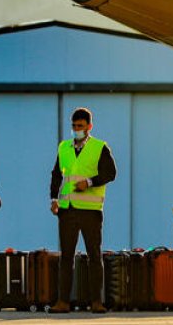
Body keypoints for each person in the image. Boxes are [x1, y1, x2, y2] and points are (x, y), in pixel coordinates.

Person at [48, 107, 117, 314]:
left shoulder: (100, 147)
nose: (76, 129)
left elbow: (111, 173)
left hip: (90, 210)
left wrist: (89, 182)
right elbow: (56, 175)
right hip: (67, 210)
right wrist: (53, 199)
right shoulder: (64, 147)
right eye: (74, 126)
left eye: (80, 126)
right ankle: (63, 302)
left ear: (89, 127)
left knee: (94, 257)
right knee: (66, 258)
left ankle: (96, 301)